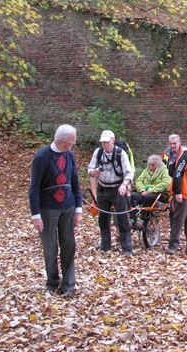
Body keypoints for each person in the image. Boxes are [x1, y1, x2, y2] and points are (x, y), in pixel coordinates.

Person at [28, 124, 82, 298]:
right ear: (65, 141)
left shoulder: (70, 156)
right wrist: (36, 215)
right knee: (50, 246)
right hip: (48, 208)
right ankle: (52, 282)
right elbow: (34, 188)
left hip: (68, 206)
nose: (73, 144)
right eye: (72, 142)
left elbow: (75, 182)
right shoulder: (42, 157)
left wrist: (78, 209)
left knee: (69, 245)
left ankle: (68, 286)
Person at [87, 130, 135, 256]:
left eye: (107, 142)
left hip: (118, 188)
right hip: (103, 188)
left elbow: (129, 173)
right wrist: (95, 172)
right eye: (103, 142)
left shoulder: (121, 153)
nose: (105, 145)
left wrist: (124, 185)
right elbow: (90, 170)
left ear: (113, 140)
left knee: (122, 219)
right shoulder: (98, 153)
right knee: (103, 219)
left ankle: (127, 248)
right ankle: (105, 247)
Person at [130, 154, 172, 229]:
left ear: (158, 165)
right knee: (133, 196)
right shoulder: (146, 171)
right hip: (145, 192)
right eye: (149, 165)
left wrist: (150, 190)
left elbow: (165, 183)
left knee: (149, 197)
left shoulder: (164, 171)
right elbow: (139, 181)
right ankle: (133, 219)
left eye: (153, 165)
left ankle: (142, 219)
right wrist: (142, 190)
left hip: (159, 194)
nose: (150, 167)